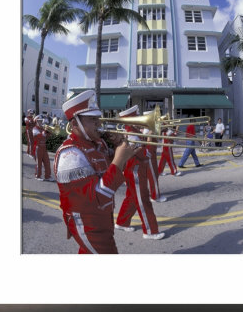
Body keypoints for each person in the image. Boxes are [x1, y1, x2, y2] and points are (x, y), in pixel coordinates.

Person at [54, 90, 140, 254]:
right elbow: (98, 196)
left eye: (98, 118)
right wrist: (119, 159)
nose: (99, 123)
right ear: (74, 125)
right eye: (92, 120)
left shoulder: (98, 144)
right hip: (87, 223)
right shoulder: (70, 155)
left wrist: (118, 147)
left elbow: (108, 171)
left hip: (102, 216)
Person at [115, 105, 165, 240]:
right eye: (137, 117)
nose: (141, 119)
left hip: (135, 170)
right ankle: (150, 231)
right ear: (131, 120)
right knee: (143, 200)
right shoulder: (133, 136)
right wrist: (150, 139)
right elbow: (147, 154)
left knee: (131, 198)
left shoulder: (134, 131)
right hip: (135, 171)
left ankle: (121, 222)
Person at [142, 125, 167, 203]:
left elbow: (158, 139)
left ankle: (152, 193)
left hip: (153, 154)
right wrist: (150, 134)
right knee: (153, 176)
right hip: (150, 155)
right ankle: (155, 197)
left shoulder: (151, 130)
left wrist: (161, 130)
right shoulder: (148, 131)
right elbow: (149, 144)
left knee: (154, 175)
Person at [32, 115, 54, 181]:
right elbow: (37, 136)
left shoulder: (42, 129)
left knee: (47, 162)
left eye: (41, 121)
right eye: (39, 121)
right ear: (36, 121)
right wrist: (44, 132)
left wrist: (49, 133)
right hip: (37, 147)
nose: (40, 122)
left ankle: (47, 176)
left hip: (44, 147)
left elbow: (45, 138)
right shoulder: (35, 129)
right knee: (39, 163)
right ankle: (38, 176)